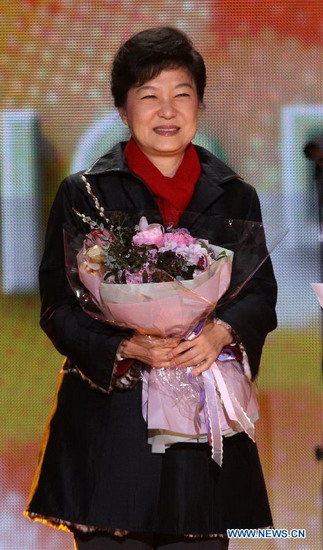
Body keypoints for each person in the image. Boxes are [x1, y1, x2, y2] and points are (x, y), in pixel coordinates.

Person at [24, 27, 277, 549]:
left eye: (181, 95)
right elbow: (59, 306)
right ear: (123, 109)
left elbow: (260, 293)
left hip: (201, 424)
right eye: (149, 96)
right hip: (110, 428)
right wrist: (127, 346)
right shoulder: (85, 194)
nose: (167, 111)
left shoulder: (236, 197)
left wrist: (221, 334)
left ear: (200, 106)